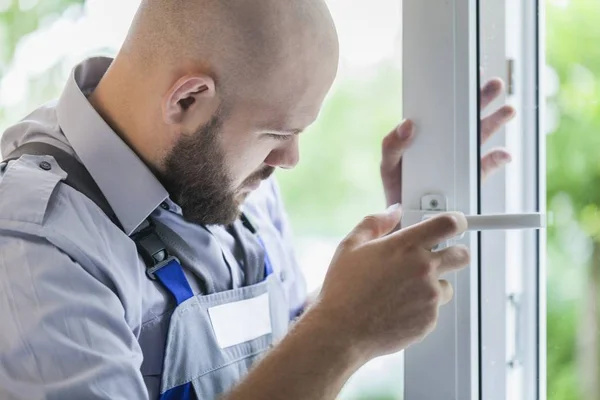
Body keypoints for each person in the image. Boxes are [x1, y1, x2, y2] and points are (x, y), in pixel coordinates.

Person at [0, 0, 516, 399]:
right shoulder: (33, 245)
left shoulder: (219, 179)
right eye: (277, 133)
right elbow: (323, 342)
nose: (291, 159)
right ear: (187, 100)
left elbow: (282, 351)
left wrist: (388, 252)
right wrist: (343, 333)